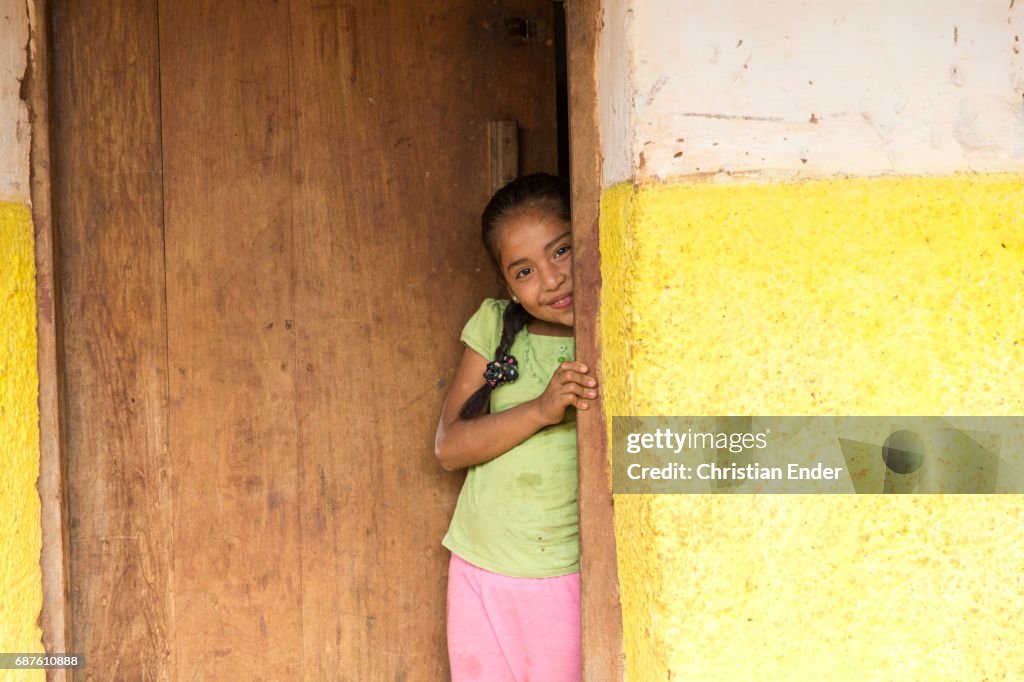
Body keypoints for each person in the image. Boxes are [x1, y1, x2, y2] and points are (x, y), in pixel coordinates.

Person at [434, 173, 597, 682]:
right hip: (479, 563)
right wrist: (540, 410)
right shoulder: (499, 326)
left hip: (563, 574)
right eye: (524, 270)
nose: (551, 280)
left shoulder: (623, 324)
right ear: (506, 285)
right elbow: (449, 447)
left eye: (562, 251)